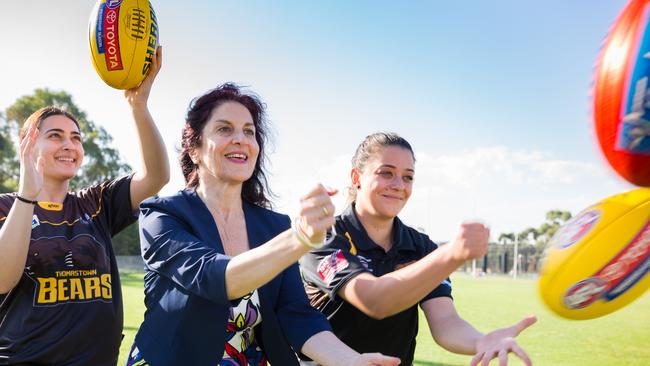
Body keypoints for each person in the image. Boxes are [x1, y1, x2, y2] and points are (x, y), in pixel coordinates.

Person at [127, 84, 400, 366]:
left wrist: (350, 360)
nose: (240, 139)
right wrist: (301, 238)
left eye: (249, 131)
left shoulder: (274, 227)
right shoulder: (161, 216)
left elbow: (296, 314)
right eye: (224, 129)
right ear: (194, 149)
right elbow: (215, 277)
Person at [299, 132, 537, 366]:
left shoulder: (420, 246)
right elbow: (374, 300)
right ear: (356, 177)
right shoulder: (323, 237)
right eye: (386, 173)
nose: (398, 185)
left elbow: (445, 322)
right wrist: (452, 254)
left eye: (408, 177)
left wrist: (480, 341)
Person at [0, 48, 168, 365]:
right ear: (27, 144)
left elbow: (156, 176)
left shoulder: (96, 203)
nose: (69, 144)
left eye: (76, 138)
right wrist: (26, 195)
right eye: (55, 135)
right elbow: (2, 279)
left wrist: (138, 106)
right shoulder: (6, 207)